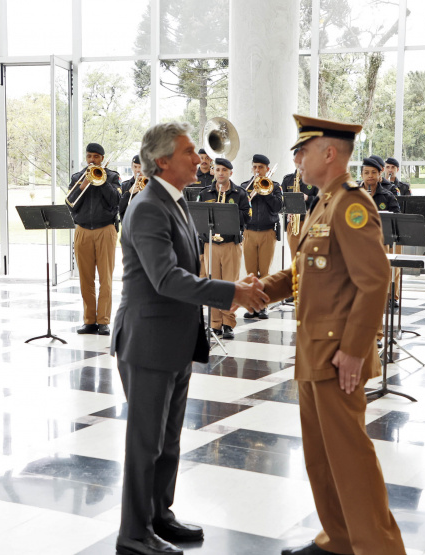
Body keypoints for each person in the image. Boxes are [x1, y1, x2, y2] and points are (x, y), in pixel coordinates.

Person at [111, 122, 268, 555]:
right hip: (147, 340)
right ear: (162, 161)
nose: (198, 158)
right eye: (187, 152)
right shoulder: (146, 207)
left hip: (174, 339)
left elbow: (186, 271)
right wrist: (230, 291)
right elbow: (165, 278)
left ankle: (159, 515)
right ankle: (133, 533)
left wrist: (230, 287)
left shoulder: (175, 201)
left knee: (168, 438)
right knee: (145, 441)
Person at [259, 115, 405, 555]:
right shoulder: (321, 202)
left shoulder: (351, 204)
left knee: (349, 458)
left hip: (338, 356)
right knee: (321, 457)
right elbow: (307, 273)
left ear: (329, 153)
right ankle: (338, 539)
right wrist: (259, 290)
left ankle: (379, 549)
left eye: (303, 151)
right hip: (313, 350)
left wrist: (355, 352)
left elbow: (375, 280)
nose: (297, 160)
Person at [67, 142, 121, 335]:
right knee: (85, 278)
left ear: (102, 158)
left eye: (96, 157)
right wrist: (84, 184)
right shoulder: (77, 177)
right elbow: (71, 203)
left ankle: (104, 321)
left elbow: (116, 200)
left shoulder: (113, 176)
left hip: (105, 229)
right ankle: (89, 321)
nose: (92, 160)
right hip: (82, 230)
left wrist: (102, 181)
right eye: (89, 156)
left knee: (105, 278)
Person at [197, 158, 251, 339]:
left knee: (229, 284)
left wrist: (227, 212)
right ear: (213, 171)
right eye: (217, 169)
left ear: (230, 173)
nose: (220, 173)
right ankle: (215, 324)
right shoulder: (205, 193)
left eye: (224, 170)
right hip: (210, 244)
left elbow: (247, 217)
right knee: (213, 285)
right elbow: (197, 219)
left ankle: (228, 323)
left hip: (230, 245)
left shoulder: (240, 194)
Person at [241, 154, 283, 319]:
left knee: (264, 273)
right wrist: (251, 192)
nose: (257, 170)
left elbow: (278, 207)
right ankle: (252, 306)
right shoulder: (245, 186)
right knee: (251, 273)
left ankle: (263, 306)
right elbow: (242, 208)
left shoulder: (275, 186)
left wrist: (266, 192)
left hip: (267, 232)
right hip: (249, 232)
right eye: (255, 167)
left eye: (261, 167)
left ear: (267, 168)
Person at [280, 156, 319, 253]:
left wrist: (307, 198)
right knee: (295, 257)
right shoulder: (287, 180)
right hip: (293, 224)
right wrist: (287, 212)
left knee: (309, 257)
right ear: (294, 161)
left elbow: (322, 200)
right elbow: (280, 200)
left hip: (310, 222)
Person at [119, 155, 146, 220]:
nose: (138, 170)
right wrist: (129, 193)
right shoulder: (124, 185)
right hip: (130, 224)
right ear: (131, 167)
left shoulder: (151, 184)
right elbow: (119, 208)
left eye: (140, 167)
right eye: (135, 167)